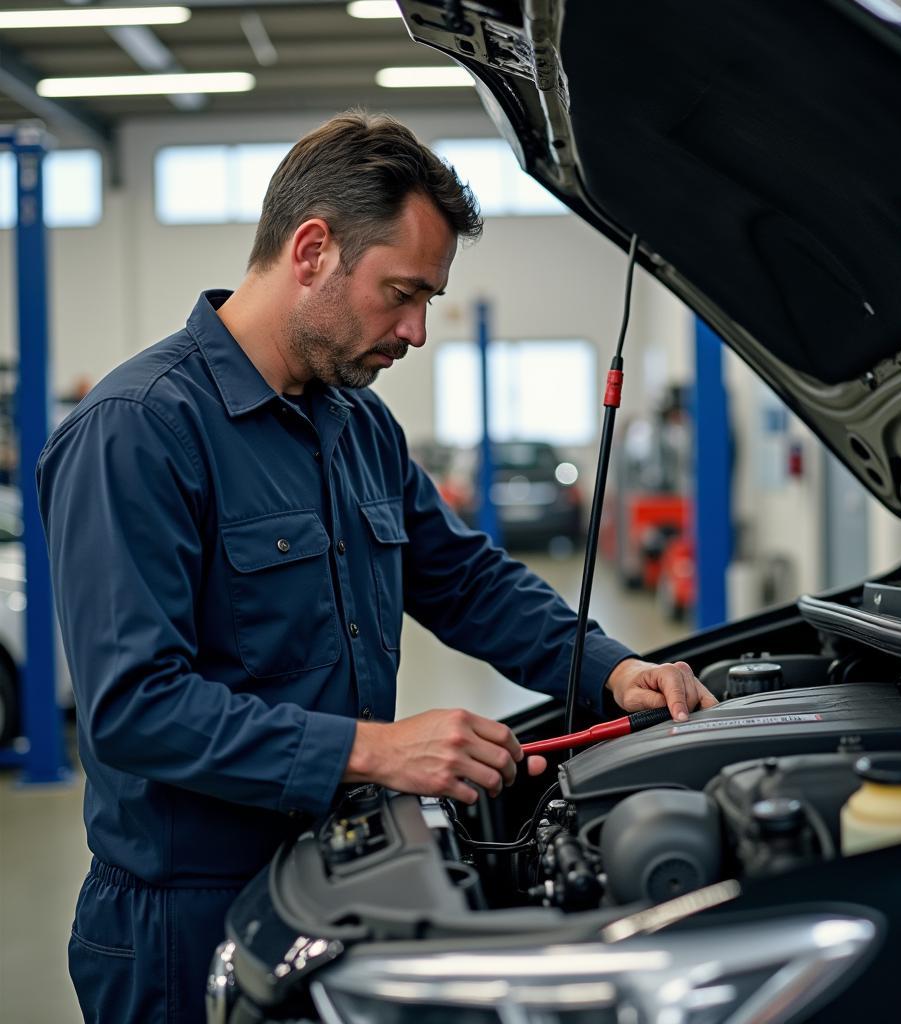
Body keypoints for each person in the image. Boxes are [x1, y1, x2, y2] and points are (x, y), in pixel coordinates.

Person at [37, 111, 716, 1023]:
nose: (417, 330)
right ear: (312, 250)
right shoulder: (139, 431)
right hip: (183, 921)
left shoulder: (357, 426)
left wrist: (613, 671)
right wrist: (377, 751)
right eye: (402, 293)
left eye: (429, 300)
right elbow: (134, 707)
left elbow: (465, 580)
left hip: (337, 872)